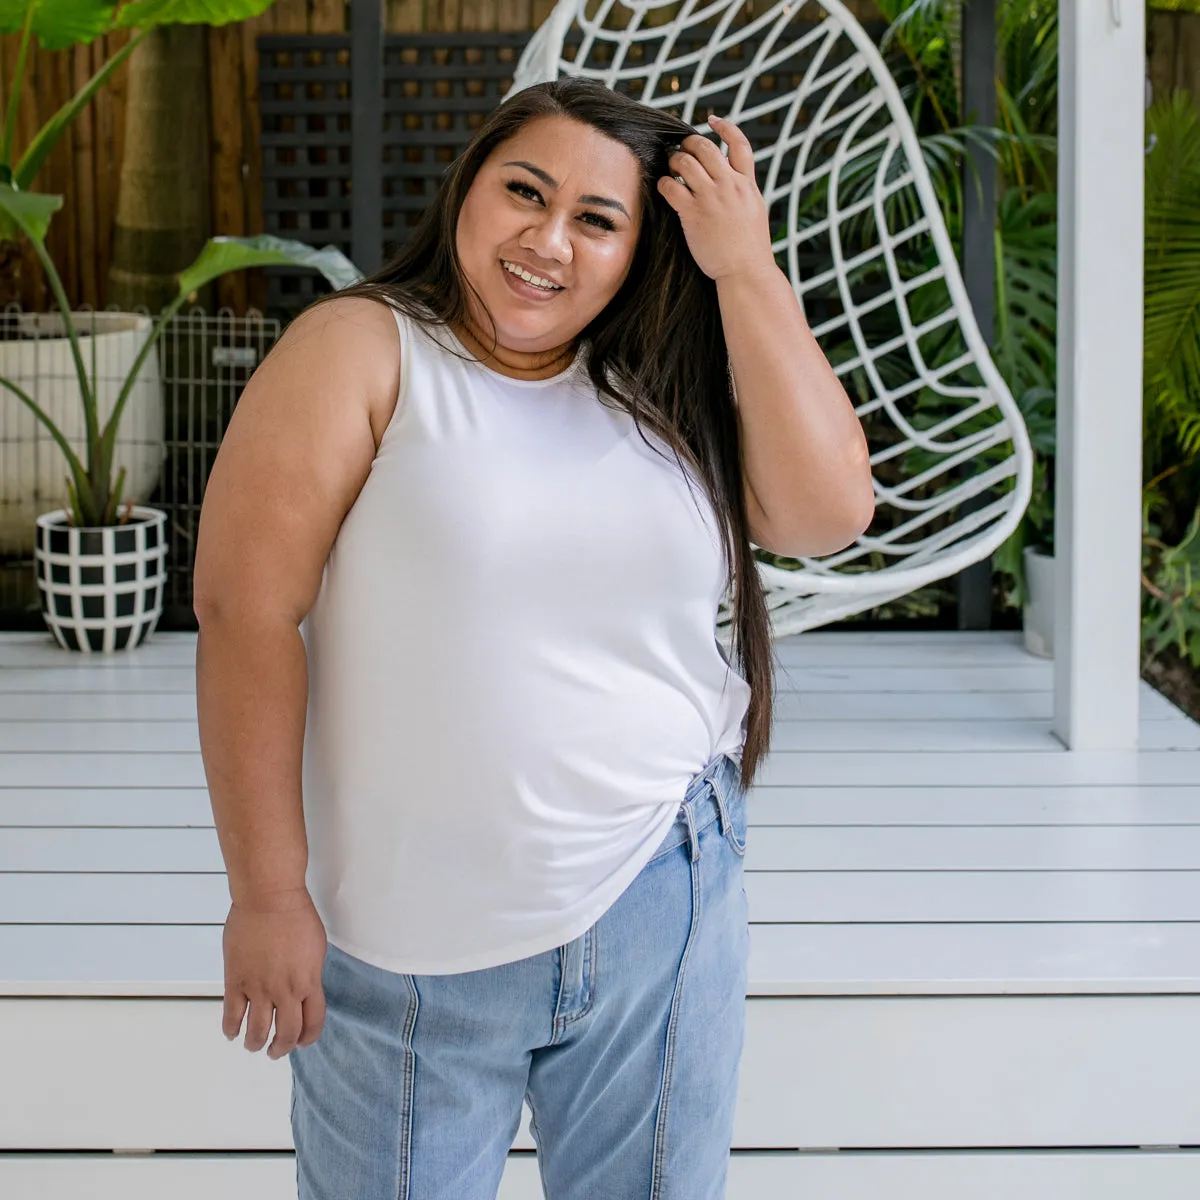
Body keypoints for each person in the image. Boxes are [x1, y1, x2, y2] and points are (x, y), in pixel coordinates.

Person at [193, 76, 872, 1200]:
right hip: (405, 946)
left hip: (663, 892)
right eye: (525, 191)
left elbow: (827, 514)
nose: (546, 241)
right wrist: (268, 891)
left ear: (637, 249)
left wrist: (745, 268)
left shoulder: (657, 381)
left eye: (597, 221)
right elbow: (244, 613)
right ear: (468, 188)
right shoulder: (362, 349)